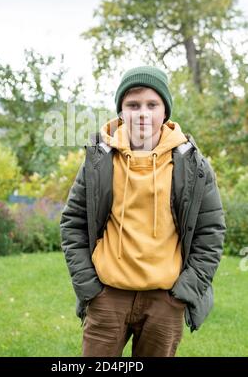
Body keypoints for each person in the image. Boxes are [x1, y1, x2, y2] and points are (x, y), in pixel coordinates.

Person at [60, 66, 226, 357]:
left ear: (165, 111)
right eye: (133, 105)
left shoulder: (193, 166)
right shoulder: (99, 160)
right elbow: (72, 223)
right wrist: (89, 287)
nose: (142, 113)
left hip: (165, 301)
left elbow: (210, 232)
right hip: (107, 296)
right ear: (121, 111)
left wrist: (184, 293)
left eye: (152, 104)